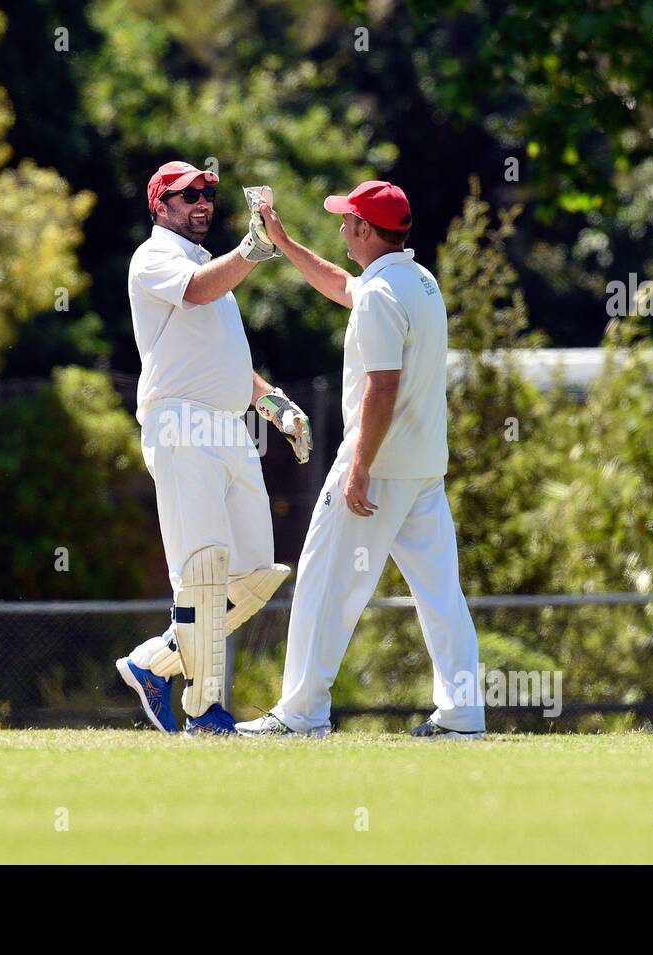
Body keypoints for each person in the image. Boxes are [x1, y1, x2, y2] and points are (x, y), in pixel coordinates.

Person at [235, 181, 486, 739]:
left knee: (324, 582)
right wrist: (285, 241)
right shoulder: (418, 282)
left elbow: (382, 388)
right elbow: (346, 287)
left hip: (378, 468)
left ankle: (300, 715)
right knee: (441, 594)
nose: (343, 227)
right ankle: (464, 714)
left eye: (348, 220)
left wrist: (359, 467)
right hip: (423, 468)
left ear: (366, 230)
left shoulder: (381, 295)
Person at [115, 161, 313, 734]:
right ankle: (205, 711)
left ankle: (153, 663)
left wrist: (274, 404)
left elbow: (228, 359)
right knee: (200, 572)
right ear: (160, 206)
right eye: (188, 195)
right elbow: (197, 295)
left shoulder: (210, 264)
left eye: (207, 194)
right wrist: (254, 247)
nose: (201, 202)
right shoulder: (154, 257)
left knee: (254, 573)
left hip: (230, 426)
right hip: (179, 423)